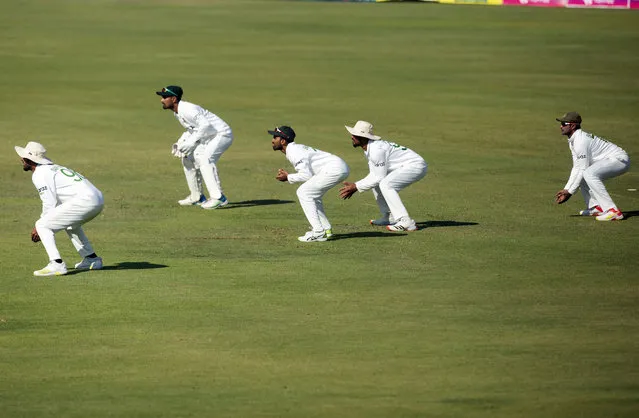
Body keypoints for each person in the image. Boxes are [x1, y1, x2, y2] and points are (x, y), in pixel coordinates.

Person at [15, 142, 104, 277]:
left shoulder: (40, 174)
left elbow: (49, 203)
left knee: (42, 225)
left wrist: (38, 227)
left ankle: (56, 264)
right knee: (70, 225)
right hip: (97, 198)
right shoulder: (54, 168)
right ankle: (92, 259)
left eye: (23, 158)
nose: (21, 159)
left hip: (86, 200)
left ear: (28, 159)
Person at [339, 121, 427, 232]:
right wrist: (356, 186)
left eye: (355, 135)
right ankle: (389, 217)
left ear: (364, 137)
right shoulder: (369, 148)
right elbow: (374, 176)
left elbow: (378, 177)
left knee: (386, 184)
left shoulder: (377, 150)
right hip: (405, 166)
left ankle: (406, 221)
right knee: (377, 184)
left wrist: (356, 186)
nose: (352, 137)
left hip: (415, 166)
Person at [156, 85, 233, 209]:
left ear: (174, 99)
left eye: (165, 97)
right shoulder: (177, 112)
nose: (162, 100)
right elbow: (192, 129)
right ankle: (197, 197)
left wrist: (192, 142)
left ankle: (218, 197)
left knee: (206, 159)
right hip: (208, 135)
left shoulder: (187, 109)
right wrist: (181, 142)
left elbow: (205, 125)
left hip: (221, 134)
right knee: (187, 158)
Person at [269, 126, 350, 242]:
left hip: (334, 169)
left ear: (283, 141)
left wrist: (288, 177)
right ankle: (326, 229)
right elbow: (309, 174)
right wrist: (289, 176)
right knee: (312, 195)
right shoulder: (293, 150)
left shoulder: (294, 152)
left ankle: (318, 232)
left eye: (275, 137)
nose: (272, 140)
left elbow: (306, 175)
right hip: (338, 167)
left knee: (304, 192)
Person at [554, 112, 630, 221]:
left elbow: (583, 169)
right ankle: (596, 207)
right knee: (585, 174)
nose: (561, 126)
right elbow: (577, 167)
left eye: (564, 123)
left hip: (619, 160)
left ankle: (613, 211)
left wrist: (570, 193)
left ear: (573, 126)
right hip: (609, 160)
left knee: (588, 173)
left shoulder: (580, 141)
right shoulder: (573, 140)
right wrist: (567, 189)